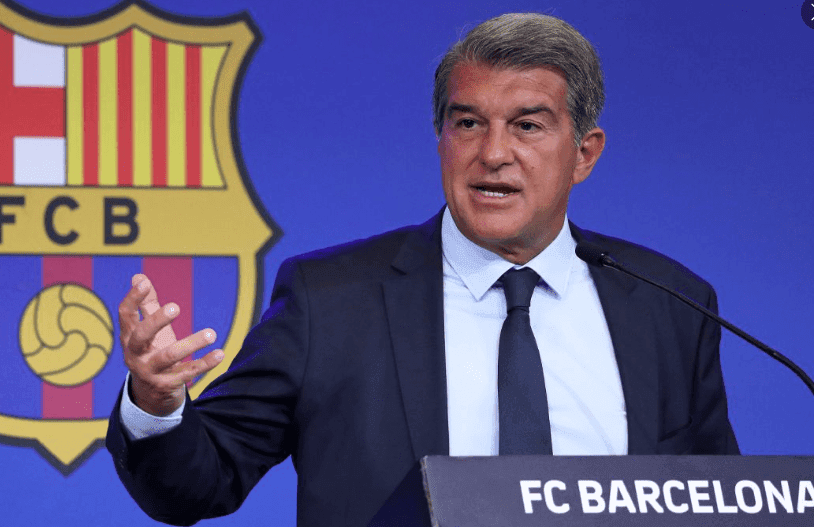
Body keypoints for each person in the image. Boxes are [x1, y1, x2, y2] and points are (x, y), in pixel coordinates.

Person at [106, 13, 739, 526]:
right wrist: (156, 404)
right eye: (468, 123)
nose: (493, 153)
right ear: (441, 139)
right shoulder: (330, 300)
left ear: (584, 154)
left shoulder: (670, 305)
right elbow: (198, 485)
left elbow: (717, 504)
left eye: (527, 126)